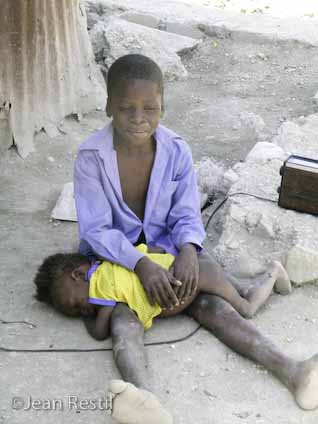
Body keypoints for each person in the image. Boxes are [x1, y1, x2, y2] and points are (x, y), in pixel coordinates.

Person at [71, 54, 318, 422]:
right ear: (108, 105)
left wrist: (188, 249)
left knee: (212, 305)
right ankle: (144, 398)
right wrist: (140, 264)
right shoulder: (91, 157)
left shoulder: (177, 151)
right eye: (127, 108)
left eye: (150, 108)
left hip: (169, 255)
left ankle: (293, 370)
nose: (139, 118)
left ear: (163, 106)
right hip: (118, 261)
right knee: (123, 320)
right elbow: (96, 230)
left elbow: (186, 214)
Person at [34, 244, 291, 332]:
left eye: (76, 306)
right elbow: (151, 250)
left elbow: (100, 332)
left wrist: (88, 322)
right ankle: (266, 277)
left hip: (196, 275)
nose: (82, 311)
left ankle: (273, 272)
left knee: (246, 307)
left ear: (78, 275)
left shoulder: (100, 291)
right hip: (189, 273)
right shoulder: (113, 261)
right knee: (240, 290)